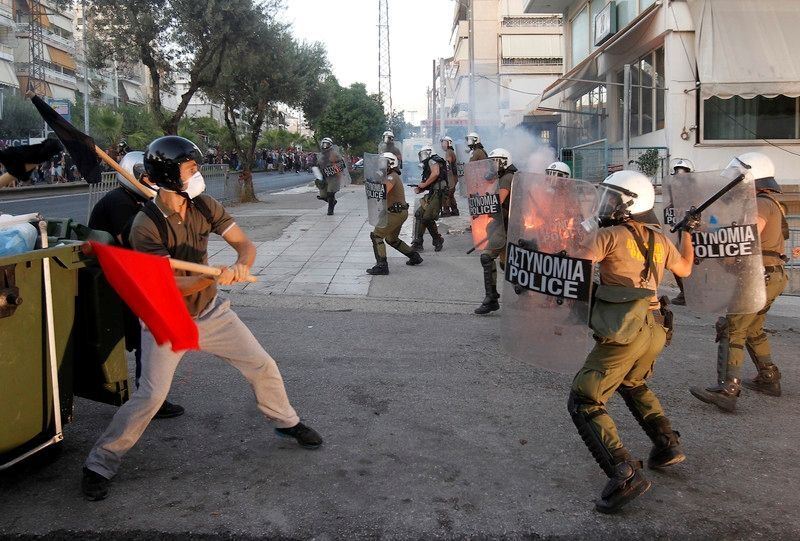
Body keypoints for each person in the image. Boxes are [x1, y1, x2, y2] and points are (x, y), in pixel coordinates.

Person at [81, 135, 322, 501]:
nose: (198, 173)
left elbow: (244, 242)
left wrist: (242, 263)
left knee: (262, 365)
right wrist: (212, 275)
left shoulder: (204, 206)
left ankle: (286, 422)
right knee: (150, 396)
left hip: (211, 311)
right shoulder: (144, 227)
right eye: (191, 168)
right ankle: (100, 462)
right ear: (169, 176)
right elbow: (170, 287)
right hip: (166, 316)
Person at [568, 170, 698, 513]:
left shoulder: (609, 236)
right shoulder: (658, 238)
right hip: (656, 327)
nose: (606, 203)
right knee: (633, 382)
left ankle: (623, 472)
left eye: (612, 198)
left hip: (626, 328)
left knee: (585, 400)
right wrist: (686, 233)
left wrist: (575, 232)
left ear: (628, 203)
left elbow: (574, 262)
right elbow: (684, 268)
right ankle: (666, 443)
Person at [88, 151, 185, 420]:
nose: (153, 181)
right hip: (111, 281)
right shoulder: (120, 201)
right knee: (151, 332)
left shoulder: (138, 199)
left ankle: (148, 393)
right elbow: (132, 241)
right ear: (132, 176)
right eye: (147, 177)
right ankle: (149, 399)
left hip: (125, 276)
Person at [689, 152, 789, 412]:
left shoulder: (763, 203)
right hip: (771, 275)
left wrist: (709, 235)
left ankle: (728, 389)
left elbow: (745, 236)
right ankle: (768, 378)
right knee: (752, 328)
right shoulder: (769, 202)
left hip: (761, 275)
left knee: (732, 327)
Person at [474, 149, 517, 314]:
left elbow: (498, 201)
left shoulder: (507, 178)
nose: (492, 165)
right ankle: (526, 295)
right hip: (503, 224)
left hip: (504, 225)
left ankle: (491, 299)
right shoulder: (503, 176)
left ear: (504, 161)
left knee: (487, 257)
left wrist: (480, 206)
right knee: (507, 264)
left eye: (495, 161)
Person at [366, 152, 423, 275]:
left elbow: (384, 190)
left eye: (383, 162)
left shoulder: (392, 176)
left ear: (391, 164)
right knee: (392, 239)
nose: (381, 165)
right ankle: (414, 256)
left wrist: (374, 181)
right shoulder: (390, 175)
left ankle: (382, 266)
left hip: (395, 213)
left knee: (377, 236)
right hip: (398, 212)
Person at [666, 159, 693, 305]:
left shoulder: (696, 193)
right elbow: (669, 213)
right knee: (676, 262)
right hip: (680, 234)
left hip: (695, 234)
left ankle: (693, 293)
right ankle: (685, 293)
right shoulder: (672, 193)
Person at [410, 146, 447, 252]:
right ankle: (418, 242)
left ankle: (437, 239)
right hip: (433, 192)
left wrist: (424, 184)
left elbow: (435, 174)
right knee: (419, 214)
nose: (423, 157)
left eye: (424, 153)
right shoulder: (429, 163)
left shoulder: (432, 160)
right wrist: (420, 188)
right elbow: (431, 181)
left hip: (438, 193)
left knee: (427, 217)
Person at [317, 137, 346, 215]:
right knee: (323, 195)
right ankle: (333, 202)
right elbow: (318, 165)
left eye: (326, 144)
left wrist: (333, 168)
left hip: (333, 177)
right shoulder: (321, 155)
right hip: (324, 177)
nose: (324, 146)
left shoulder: (335, 154)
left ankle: (330, 209)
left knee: (330, 193)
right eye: (323, 144)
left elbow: (342, 164)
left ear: (330, 145)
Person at [439, 136, 460, 217]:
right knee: (451, 194)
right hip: (453, 176)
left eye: (444, 142)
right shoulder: (450, 151)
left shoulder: (449, 152)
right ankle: (455, 210)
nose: (442, 145)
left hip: (451, 177)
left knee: (446, 193)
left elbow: (447, 163)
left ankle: (446, 211)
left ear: (448, 143)